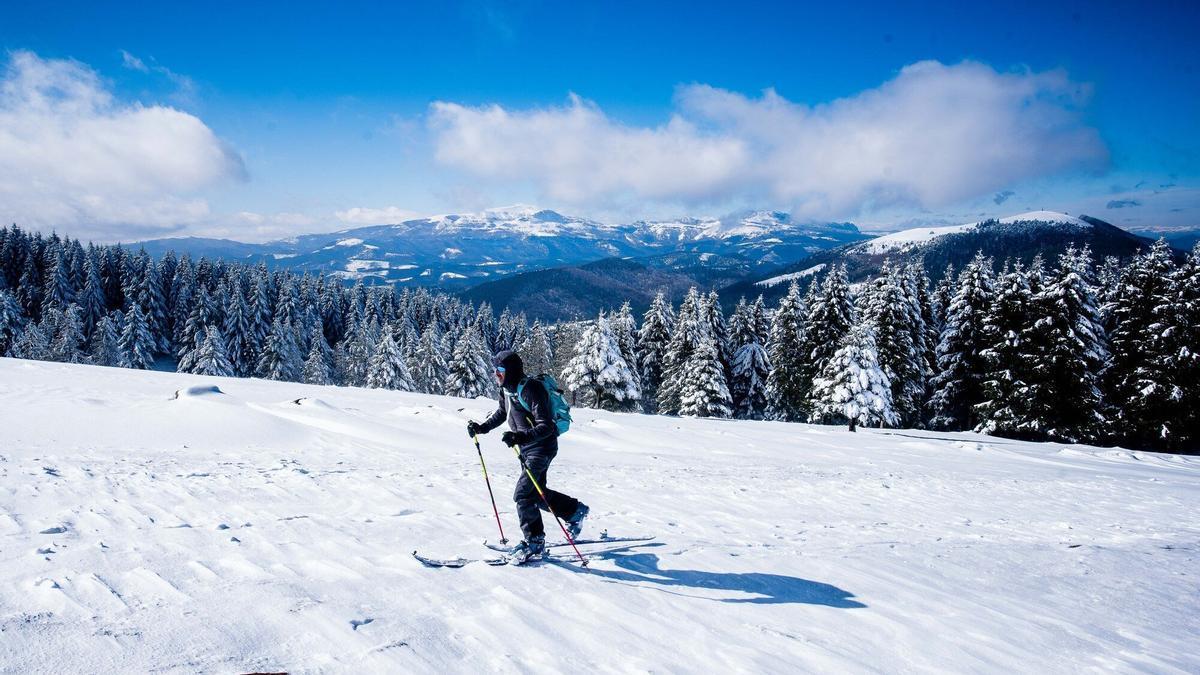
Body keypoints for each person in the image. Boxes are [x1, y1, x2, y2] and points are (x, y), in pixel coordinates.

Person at [468, 349, 588, 564]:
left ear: (511, 370)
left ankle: (534, 542)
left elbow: (547, 426)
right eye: (495, 370)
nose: (496, 374)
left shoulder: (530, 389)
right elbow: (501, 413)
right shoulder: (506, 390)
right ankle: (574, 511)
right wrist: (482, 428)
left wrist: (520, 437)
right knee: (537, 494)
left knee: (523, 495)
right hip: (527, 448)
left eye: (500, 370)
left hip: (542, 448)